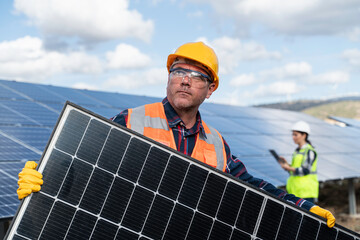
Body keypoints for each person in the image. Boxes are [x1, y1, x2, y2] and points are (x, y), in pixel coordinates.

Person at [17, 42, 335, 228]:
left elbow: (252, 189)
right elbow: (85, 165)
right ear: (168, 79)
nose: (184, 80)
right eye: (178, 72)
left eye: (196, 76)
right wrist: (46, 176)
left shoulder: (217, 143)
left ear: (210, 90)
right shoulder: (130, 120)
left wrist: (303, 208)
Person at [279, 121, 319, 203]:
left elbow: (305, 170)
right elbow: (296, 169)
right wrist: (287, 165)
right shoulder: (297, 151)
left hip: (306, 193)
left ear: (304, 135)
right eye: (292, 134)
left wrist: (289, 168)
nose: (293, 137)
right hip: (295, 191)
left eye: (296, 135)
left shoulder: (309, 151)